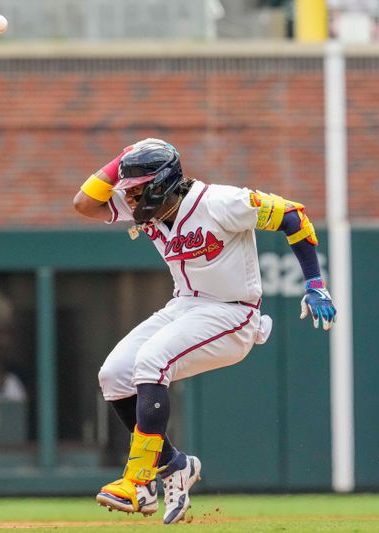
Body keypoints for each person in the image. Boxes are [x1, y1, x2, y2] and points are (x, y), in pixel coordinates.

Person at [73, 139, 336, 524]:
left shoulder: (221, 202)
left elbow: (293, 216)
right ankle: (174, 464)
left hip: (233, 314)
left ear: (161, 184)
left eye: (135, 188)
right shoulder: (146, 208)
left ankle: (139, 481)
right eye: (126, 190)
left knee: (151, 361)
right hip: (186, 306)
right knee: (113, 375)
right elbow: (84, 204)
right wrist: (123, 160)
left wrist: (315, 282)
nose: (128, 198)